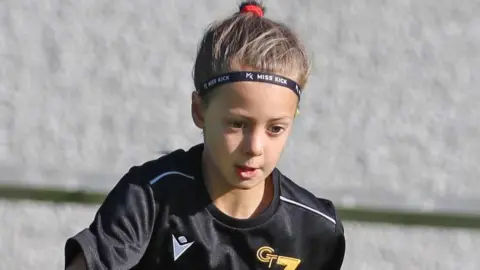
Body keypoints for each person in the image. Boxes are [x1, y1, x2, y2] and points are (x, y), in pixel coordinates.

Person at [64, 1, 346, 269]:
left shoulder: (317, 229)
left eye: (275, 128)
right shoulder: (150, 197)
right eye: (237, 124)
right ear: (199, 111)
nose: (255, 147)